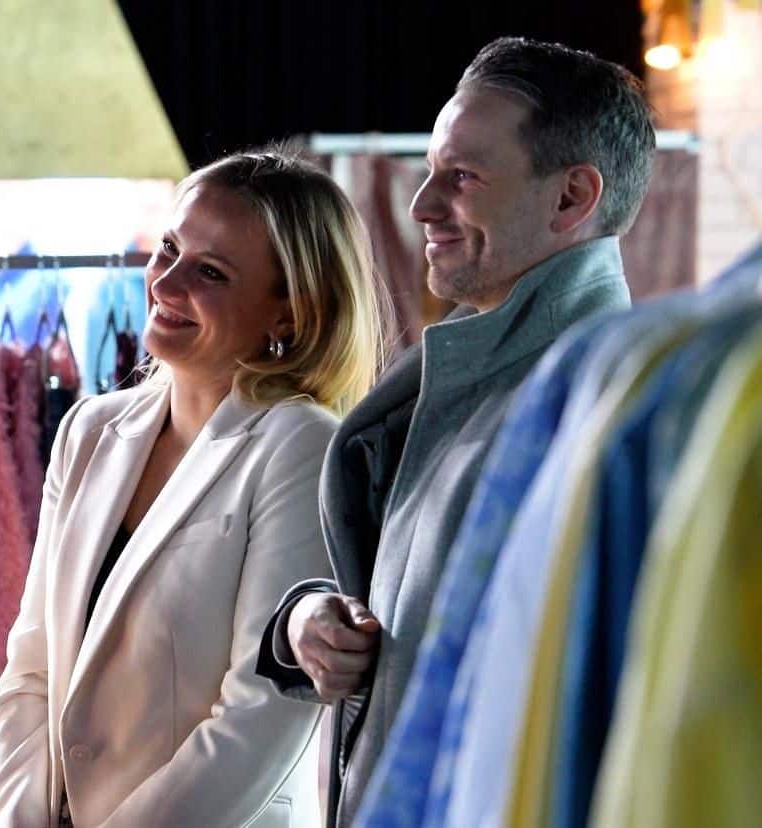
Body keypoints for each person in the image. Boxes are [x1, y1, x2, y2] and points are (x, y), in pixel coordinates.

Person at [255, 37, 654, 826]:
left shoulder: (603, 409)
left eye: (462, 177)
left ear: (571, 198)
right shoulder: (451, 378)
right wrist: (307, 621)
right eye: (430, 170)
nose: (420, 206)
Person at [0, 149, 386, 827]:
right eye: (169, 249)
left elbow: (258, 714)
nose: (165, 283)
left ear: (288, 315)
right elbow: (30, 668)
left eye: (210, 272)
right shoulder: (89, 429)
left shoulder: (301, 445)